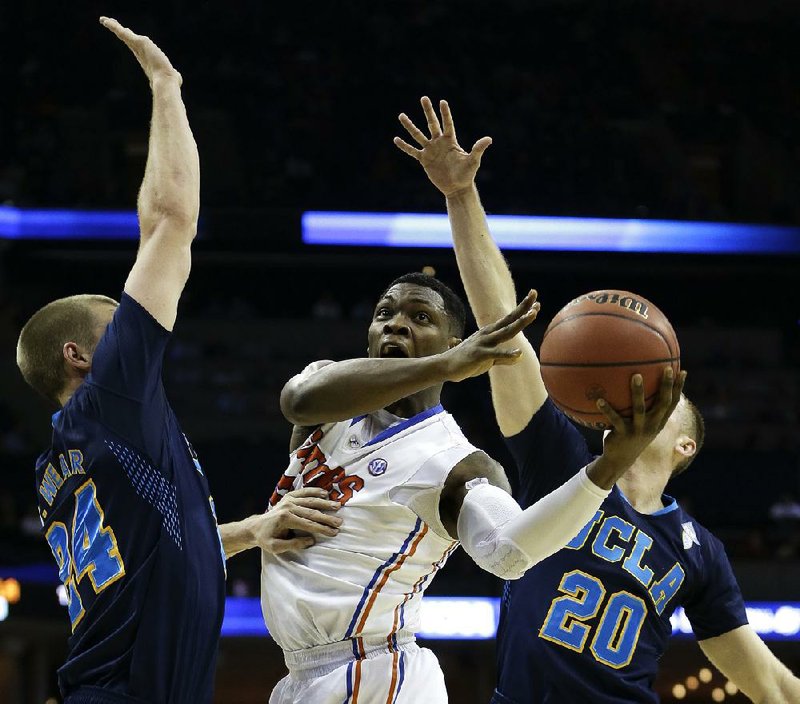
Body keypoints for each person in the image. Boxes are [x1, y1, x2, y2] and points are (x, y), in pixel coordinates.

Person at [394, 96, 800, 704]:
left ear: (685, 443)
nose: (649, 398)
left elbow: (770, 683)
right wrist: (460, 196)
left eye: (668, 398)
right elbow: (500, 328)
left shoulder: (700, 551)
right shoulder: (558, 460)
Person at [15, 19, 338, 704]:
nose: (141, 327)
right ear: (81, 356)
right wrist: (166, 85)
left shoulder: (60, 463)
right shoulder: (111, 400)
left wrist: (249, 532)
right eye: (118, 321)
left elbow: (150, 565)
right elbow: (169, 220)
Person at [260, 271, 683, 703]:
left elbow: (510, 554)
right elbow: (297, 401)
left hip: (373, 674)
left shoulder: (454, 459)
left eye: (420, 317)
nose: (396, 323)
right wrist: (447, 365)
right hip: (302, 676)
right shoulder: (327, 393)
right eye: (384, 312)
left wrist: (608, 467)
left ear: (453, 344)